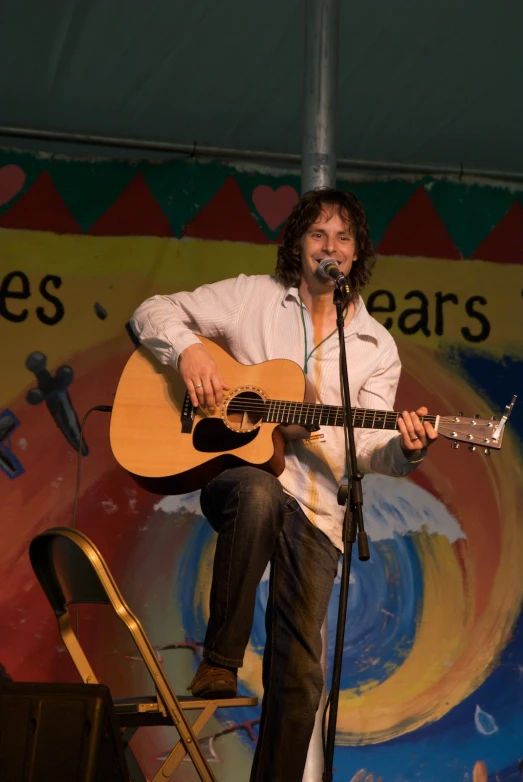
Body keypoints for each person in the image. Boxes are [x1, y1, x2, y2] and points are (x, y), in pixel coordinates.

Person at [130, 187, 438, 781]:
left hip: (321, 510)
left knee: (300, 682)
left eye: (343, 238)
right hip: (243, 485)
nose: (331, 247)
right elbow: (152, 310)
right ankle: (220, 659)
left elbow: (370, 448)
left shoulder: (376, 347)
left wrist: (405, 449)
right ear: (298, 246)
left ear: (356, 255)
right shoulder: (253, 298)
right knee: (260, 490)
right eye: (318, 234)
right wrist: (191, 351)